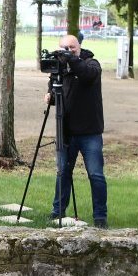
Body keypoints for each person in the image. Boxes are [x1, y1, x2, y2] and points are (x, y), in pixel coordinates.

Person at [45, 35, 108, 228]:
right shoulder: (59, 70)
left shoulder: (91, 64)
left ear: (79, 47)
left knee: (96, 174)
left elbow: (87, 75)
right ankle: (58, 212)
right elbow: (57, 94)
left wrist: (71, 59)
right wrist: (50, 97)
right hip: (66, 131)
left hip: (90, 131)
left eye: (72, 47)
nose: (68, 50)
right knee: (63, 172)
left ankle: (100, 216)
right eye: (64, 47)